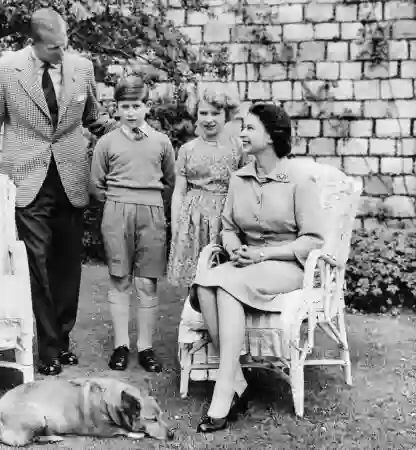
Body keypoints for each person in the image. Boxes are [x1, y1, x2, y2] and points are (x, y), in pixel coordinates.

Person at [0, 8, 117, 376]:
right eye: (55, 48)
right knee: (36, 264)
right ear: (35, 43)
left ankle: (62, 338)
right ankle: (49, 349)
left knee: (68, 266)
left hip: (71, 180)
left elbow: (93, 118)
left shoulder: (82, 68)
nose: (62, 53)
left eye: (65, 45)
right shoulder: (7, 69)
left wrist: (122, 133)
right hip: (27, 182)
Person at [189, 103, 326, 432]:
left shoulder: (299, 180)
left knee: (225, 285)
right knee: (205, 284)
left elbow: (313, 240)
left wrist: (263, 256)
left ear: (272, 135)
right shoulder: (239, 179)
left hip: (287, 264)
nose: (242, 133)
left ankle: (224, 393)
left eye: (250, 128)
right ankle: (236, 379)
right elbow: (227, 228)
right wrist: (235, 249)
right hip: (247, 262)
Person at [90, 76, 176, 373]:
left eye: (136, 105)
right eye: (124, 106)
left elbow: (170, 182)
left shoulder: (162, 142)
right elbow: (96, 184)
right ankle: (121, 345)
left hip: (151, 212)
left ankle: (146, 347)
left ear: (147, 106)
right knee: (120, 279)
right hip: (116, 211)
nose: (130, 112)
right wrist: (119, 203)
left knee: (147, 281)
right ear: (116, 108)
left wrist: (151, 204)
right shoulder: (107, 142)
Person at [167, 87, 247, 289]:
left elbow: (246, 188)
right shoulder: (187, 150)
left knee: (223, 276)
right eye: (203, 113)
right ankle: (193, 317)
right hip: (193, 218)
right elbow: (179, 192)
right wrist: (177, 225)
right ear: (196, 114)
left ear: (226, 115)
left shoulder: (238, 148)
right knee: (194, 278)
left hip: (225, 217)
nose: (209, 119)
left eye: (215, 113)